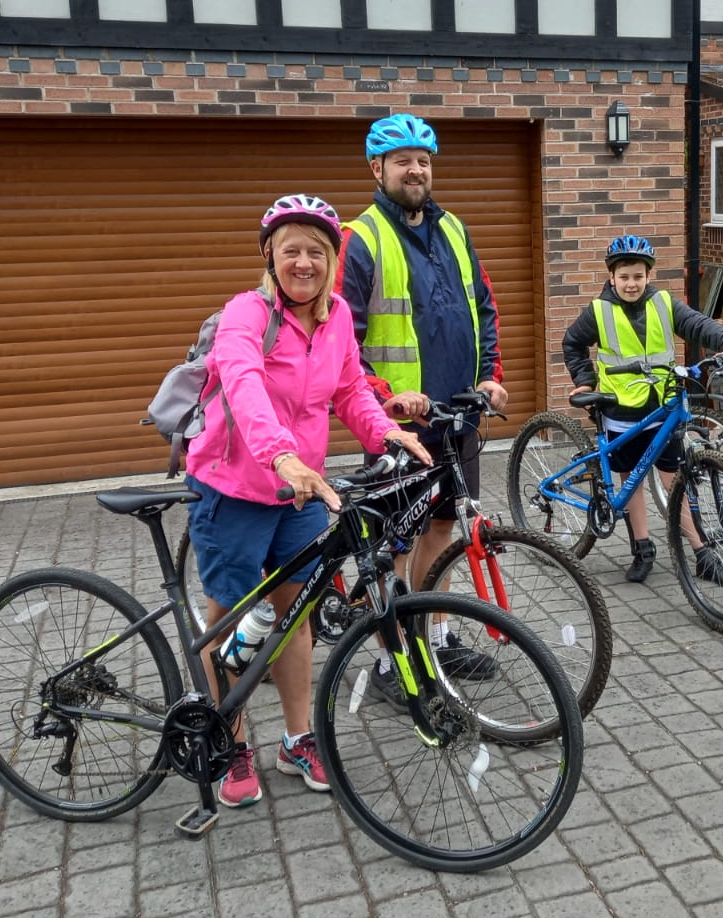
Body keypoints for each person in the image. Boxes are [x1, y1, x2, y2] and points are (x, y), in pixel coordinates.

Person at [185, 193, 429, 809]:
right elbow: (242, 385)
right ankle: (229, 738)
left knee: (297, 618)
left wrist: (384, 432)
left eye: (316, 252)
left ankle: (296, 739)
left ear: (331, 258)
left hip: (301, 493)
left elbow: (348, 388)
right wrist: (280, 455)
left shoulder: (338, 314)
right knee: (230, 620)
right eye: (290, 250)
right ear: (270, 256)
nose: (303, 262)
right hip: (236, 489)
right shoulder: (246, 313)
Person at [339, 113, 507, 697]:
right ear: (376, 169)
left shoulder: (455, 228)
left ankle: (432, 638)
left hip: (458, 414)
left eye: (424, 160)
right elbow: (341, 339)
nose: (416, 169)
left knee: (442, 527)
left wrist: (490, 376)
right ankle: (391, 659)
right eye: (403, 160)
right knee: (392, 546)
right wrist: (385, 399)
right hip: (398, 427)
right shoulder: (359, 240)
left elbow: (482, 305)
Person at [562, 234, 723, 584]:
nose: (631, 283)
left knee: (674, 478)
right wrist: (585, 380)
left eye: (637, 276)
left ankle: (701, 553)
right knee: (630, 482)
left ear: (649, 276)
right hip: (620, 411)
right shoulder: (599, 310)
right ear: (612, 277)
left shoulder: (664, 303)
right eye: (624, 277)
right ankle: (642, 548)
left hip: (663, 407)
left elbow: (699, 324)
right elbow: (572, 343)